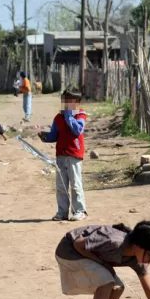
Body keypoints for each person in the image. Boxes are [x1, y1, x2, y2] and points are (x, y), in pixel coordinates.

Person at [38, 89, 87, 221]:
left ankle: (79, 211)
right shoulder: (58, 118)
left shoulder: (80, 116)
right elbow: (55, 135)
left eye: (70, 101)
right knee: (61, 186)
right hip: (61, 155)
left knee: (76, 185)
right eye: (65, 101)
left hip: (74, 155)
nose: (67, 104)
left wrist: (69, 116)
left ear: (77, 103)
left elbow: (77, 130)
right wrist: (45, 137)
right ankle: (62, 212)